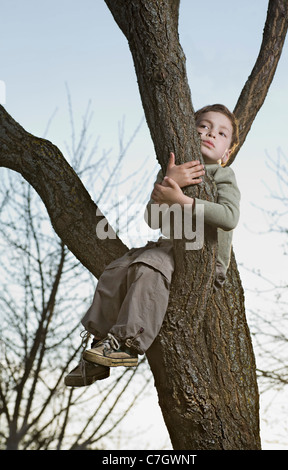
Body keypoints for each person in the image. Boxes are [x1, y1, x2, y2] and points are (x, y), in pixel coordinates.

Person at [64, 104, 240, 387]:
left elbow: (230, 217)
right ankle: (98, 346)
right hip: (168, 249)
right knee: (118, 269)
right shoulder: (172, 173)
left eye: (221, 133)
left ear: (226, 153)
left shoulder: (222, 176)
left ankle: (127, 344)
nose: (210, 134)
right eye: (203, 126)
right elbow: (152, 219)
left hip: (205, 262)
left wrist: (182, 199)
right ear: (187, 131)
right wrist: (171, 181)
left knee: (149, 265)